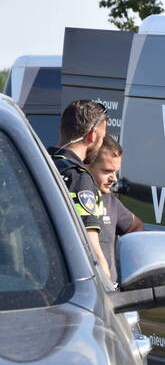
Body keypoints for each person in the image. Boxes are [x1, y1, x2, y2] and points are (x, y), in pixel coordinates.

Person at [49, 100, 111, 280]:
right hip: (76, 284)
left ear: (62, 129)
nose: (101, 144)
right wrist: (107, 292)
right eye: (103, 137)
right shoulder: (78, 176)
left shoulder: (43, 164)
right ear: (92, 136)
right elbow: (90, 247)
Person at [86, 138, 144, 283]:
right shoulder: (69, 196)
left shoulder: (110, 200)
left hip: (109, 293)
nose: (114, 179)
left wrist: (127, 264)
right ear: (86, 166)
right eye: (107, 171)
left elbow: (136, 227)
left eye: (116, 172)